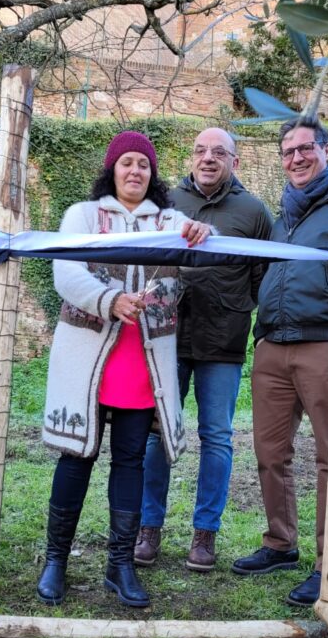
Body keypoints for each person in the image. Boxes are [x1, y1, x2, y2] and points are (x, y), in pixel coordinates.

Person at [35, 130, 211, 609]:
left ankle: (120, 565)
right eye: (127, 162)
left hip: (142, 361)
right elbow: (65, 270)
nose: (136, 171)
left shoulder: (171, 219)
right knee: (77, 457)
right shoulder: (83, 215)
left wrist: (202, 233)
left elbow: (200, 241)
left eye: (144, 165)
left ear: (153, 175)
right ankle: (56, 560)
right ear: (112, 168)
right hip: (89, 356)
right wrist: (110, 300)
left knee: (130, 459)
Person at [136, 128, 272, 572]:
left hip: (223, 342)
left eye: (218, 152)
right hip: (168, 338)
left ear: (235, 159)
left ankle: (204, 535)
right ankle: (148, 527)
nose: (208, 158)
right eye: (200, 151)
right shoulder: (167, 203)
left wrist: (236, 309)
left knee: (217, 436)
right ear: (191, 158)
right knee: (159, 432)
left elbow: (262, 278)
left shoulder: (253, 211)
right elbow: (146, 261)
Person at [232, 117, 328, 607]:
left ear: (325, 149)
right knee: (270, 452)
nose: (296, 158)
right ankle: (280, 544)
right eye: (287, 152)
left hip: (323, 344)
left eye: (305, 149)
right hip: (272, 345)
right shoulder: (285, 213)